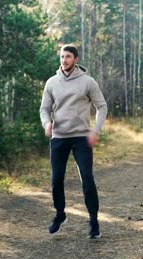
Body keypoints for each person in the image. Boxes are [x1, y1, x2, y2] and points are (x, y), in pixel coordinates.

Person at [40, 44, 108, 239]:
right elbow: (44, 108)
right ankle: (60, 214)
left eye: (68, 57)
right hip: (59, 137)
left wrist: (95, 130)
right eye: (62, 57)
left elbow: (102, 106)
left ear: (76, 59)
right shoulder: (52, 82)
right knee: (56, 180)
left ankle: (94, 221)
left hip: (81, 138)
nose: (64, 60)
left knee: (87, 178)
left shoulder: (87, 82)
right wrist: (46, 124)